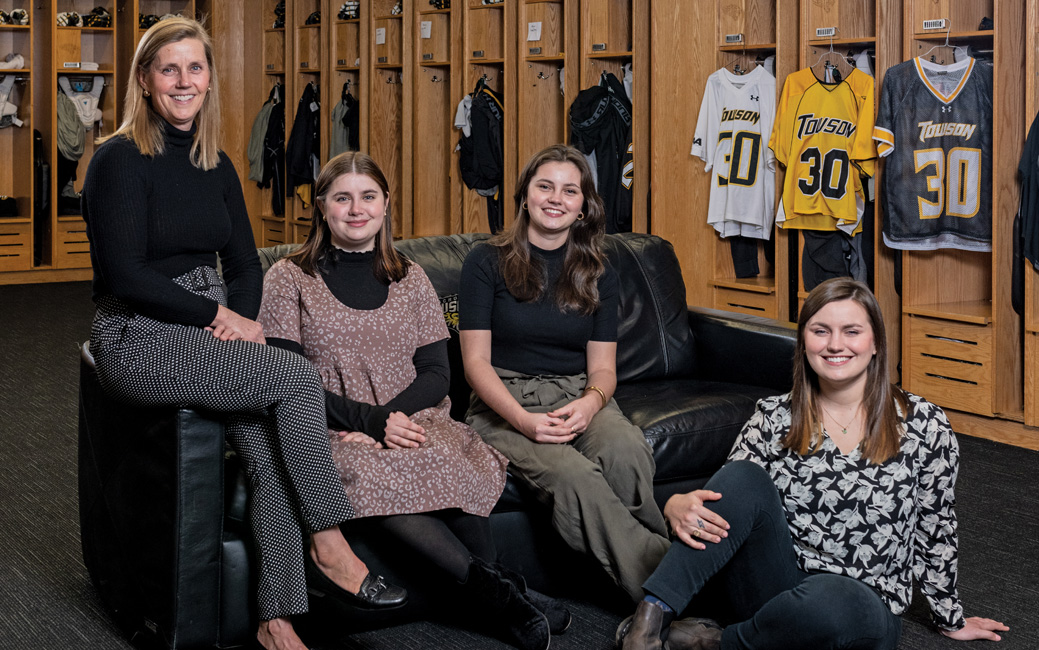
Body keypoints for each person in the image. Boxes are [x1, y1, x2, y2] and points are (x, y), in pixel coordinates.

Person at [81, 18, 404, 650]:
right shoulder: (117, 159)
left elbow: (246, 263)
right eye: (168, 69)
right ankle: (329, 540)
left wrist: (247, 323)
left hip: (213, 328)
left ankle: (275, 617)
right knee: (295, 377)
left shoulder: (215, 162)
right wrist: (216, 318)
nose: (183, 81)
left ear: (208, 79)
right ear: (145, 82)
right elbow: (125, 272)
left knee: (265, 439)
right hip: (138, 333)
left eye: (195, 68)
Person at [257, 151, 569, 650]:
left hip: (411, 414)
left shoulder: (410, 276)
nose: (356, 209)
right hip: (331, 426)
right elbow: (283, 377)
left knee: (449, 456)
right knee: (375, 469)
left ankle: (506, 589)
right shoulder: (288, 279)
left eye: (368, 197)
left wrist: (393, 418)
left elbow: (437, 372)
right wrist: (372, 423)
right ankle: (504, 601)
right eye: (342, 198)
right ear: (321, 207)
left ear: (385, 206)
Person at [617, 277, 1009, 650]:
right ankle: (649, 624)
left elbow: (935, 524)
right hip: (774, 585)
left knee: (833, 601)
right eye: (820, 331)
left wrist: (950, 616)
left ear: (876, 343)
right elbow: (728, 503)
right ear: (803, 341)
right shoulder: (773, 415)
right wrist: (675, 505)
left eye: (851, 331)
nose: (835, 344)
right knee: (742, 475)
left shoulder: (925, 423)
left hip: (861, 605)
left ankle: (713, 642)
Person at [458, 144, 670, 603]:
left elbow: (603, 369)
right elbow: (474, 364)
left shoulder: (599, 269)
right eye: (545, 186)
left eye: (569, 190)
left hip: (579, 393)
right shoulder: (484, 261)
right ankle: (665, 595)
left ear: (583, 205)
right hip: (504, 402)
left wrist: (591, 403)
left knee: (627, 450)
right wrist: (522, 420)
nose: (556, 198)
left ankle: (665, 581)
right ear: (525, 195)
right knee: (575, 478)